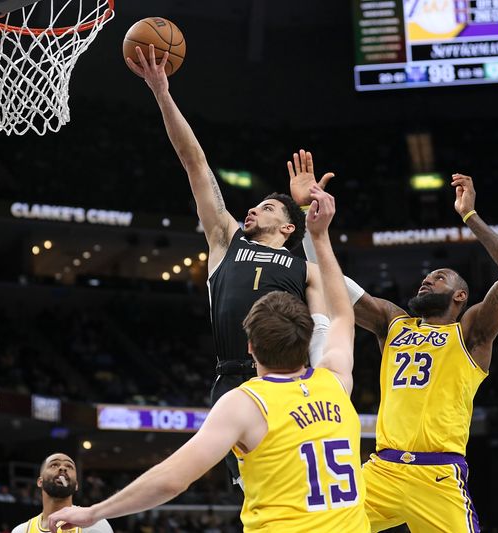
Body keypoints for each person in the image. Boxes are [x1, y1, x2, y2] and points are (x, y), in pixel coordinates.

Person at [48, 186, 369, 532]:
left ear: (250, 347)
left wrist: (93, 512)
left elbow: (172, 479)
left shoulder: (246, 403)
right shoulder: (336, 381)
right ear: (305, 338)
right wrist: (319, 237)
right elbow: (340, 316)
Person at [125, 44, 327, 487]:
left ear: (288, 228)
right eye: (252, 206)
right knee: (255, 490)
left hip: (291, 382)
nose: (252, 210)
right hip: (233, 380)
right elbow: (194, 162)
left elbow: (332, 316)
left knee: (296, 488)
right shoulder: (225, 239)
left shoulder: (304, 268)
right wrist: (161, 92)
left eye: (267, 208)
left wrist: (313, 217)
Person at [291, 160, 498, 532]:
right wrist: (309, 216)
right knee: (316, 525)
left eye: (438, 278)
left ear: (460, 295)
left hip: (437, 476)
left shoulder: (470, 333)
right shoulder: (393, 321)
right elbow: (330, 280)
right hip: (382, 471)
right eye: (426, 277)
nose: (426, 280)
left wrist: (471, 216)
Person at [11, 453, 111, 533]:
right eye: (54, 465)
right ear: (40, 482)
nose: (63, 468)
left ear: (76, 485)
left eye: (69, 466)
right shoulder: (21, 531)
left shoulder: (93, 523)